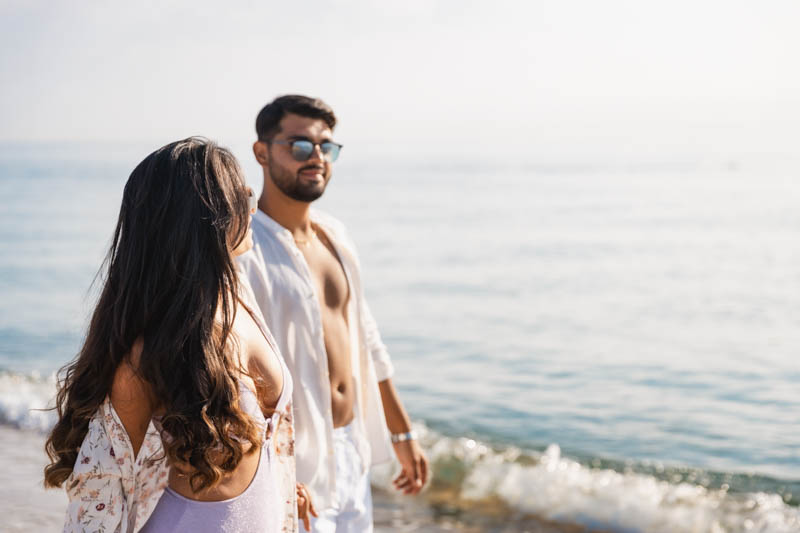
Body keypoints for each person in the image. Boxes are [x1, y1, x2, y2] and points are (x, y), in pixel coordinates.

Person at [44, 137, 314, 532]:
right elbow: (98, 493)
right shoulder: (147, 354)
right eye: (240, 193)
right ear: (205, 217)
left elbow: (258, 446)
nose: (252, 201)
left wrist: (284, 490)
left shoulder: (237, 293)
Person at [238, 95, 429, 532]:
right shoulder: (245, 249)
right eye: (300, 146)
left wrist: (402, 434)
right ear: (261, 152)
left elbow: (366, 338)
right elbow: (234, 376)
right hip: (293, 462)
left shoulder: (334, 235)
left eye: (326, 147)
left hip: (351, 450)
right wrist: (272, 471)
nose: (317, 158)